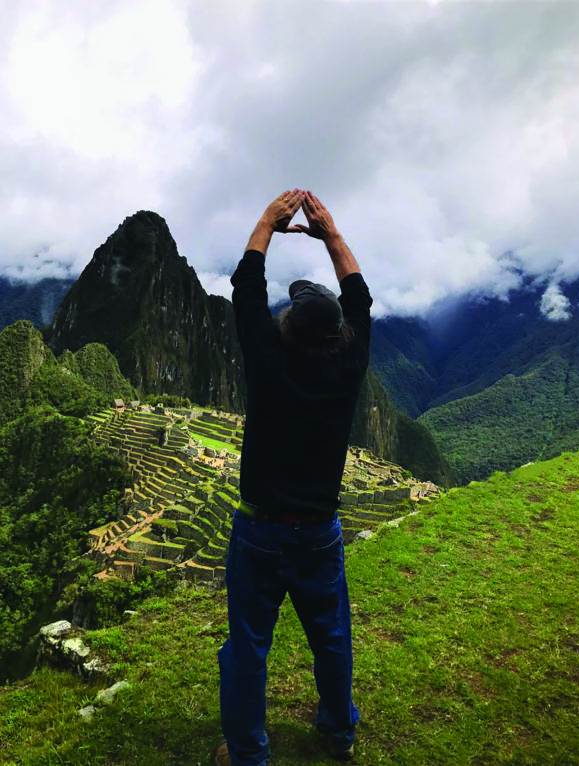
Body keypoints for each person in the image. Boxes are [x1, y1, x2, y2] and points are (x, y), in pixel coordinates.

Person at [215, 189, 372, 766]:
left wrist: (266, 223)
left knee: (248, 649)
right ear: (337, 336)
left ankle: (249, 753)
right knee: (331, 639)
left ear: (286, 329)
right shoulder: (348, 365)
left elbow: (246, 289)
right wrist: (329, 232)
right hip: (319, 532)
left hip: (259, 533)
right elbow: (360, 299)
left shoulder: (267, 360)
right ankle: (337, 731)